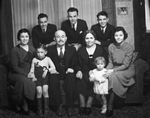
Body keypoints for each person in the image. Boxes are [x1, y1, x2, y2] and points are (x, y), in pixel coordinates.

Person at [105, 27, 135, 117]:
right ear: (113, 36)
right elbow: (110, 62)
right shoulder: (111, 46)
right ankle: (110, 103)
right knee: (108, 75)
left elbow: (126, 65)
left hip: (127, 69)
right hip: (115, 68)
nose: (118, 37)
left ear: (124, 36)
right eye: (116, 35)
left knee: (113, 76)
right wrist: (105, 70)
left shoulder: (129, 47)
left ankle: (110, 105)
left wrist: (112, 71)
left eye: (120, 35)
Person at [76, 30, 107, 115]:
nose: (89, 40)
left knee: (93, 79)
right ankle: (82, 104)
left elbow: (105, 62)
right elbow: (77, 63)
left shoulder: (101, 49)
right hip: (84, 71)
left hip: (97, 71)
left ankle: (88, 104)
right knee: (80, 79)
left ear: (94, 39)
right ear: (84, 39)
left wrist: (95, 71)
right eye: (87, 38)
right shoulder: (81, 50)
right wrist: (78, 71)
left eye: (91, 38)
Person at [47, 30, 77, 117]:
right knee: (52, 78)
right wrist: (50, 69)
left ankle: (70, 106)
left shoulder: (72, 49)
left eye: (62, 36)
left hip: (67, 72)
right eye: (58, 37)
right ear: (54, 39)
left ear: (66, 38)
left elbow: (74, 62)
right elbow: (45, 62)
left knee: (71, 77)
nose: (60, 39)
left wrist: (71, 68)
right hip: (56, 72)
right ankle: (58, 105)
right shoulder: (50, 50)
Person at [8, 28, 36, 115]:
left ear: (29, 37)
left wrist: (33, 72)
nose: (24, 39)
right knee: (24, 81)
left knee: (36, 80)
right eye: (22, 37)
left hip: (30, 71)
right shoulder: (15, 50)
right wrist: (26, 74)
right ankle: (22, 104)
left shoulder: (32, 48)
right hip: (16, 73)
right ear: (19, 38)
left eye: (26, 36)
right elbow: (15, 67)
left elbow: (35, 62)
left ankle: (32, 104)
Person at [28, 44, 58, 117]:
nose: (40, 54)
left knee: (45, 90)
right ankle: (39, 110)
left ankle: (46, 109)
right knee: (39, 91)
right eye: (38, 52)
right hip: (37, 78)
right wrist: (33, 77)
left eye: (42, 52)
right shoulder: (34, 60)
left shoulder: (47, 59)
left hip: (45, 78)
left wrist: (46, 70)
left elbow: (53, 67)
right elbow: (32, 70)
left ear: (45, 52)